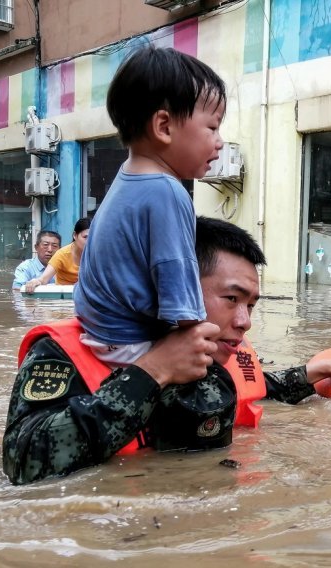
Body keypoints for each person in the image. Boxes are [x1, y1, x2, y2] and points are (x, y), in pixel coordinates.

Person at [2, 217, 331, 485]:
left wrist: (315, 372)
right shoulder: (66, 352)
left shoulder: (219, 350)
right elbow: (22, 461)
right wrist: (152, 372)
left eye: (252, 304)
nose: (245, 321)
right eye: (231, 299)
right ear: (173, 286)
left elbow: (257, 387)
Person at [73, 45, 227, 367]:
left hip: (101, 334)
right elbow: (182, 300)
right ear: (164, 127)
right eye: (212, 127)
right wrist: (212, 339)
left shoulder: (127, 178)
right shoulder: (167, 191)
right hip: (132, 345)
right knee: (216, 370)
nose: (220, 140)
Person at [24, 218, 91, 292]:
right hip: (64, 297)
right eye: (85, 237)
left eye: (93, 237)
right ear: (75, 235)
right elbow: (44, 279)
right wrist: (35, 282)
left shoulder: (99, 255)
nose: (90, 241)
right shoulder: (62, 254)